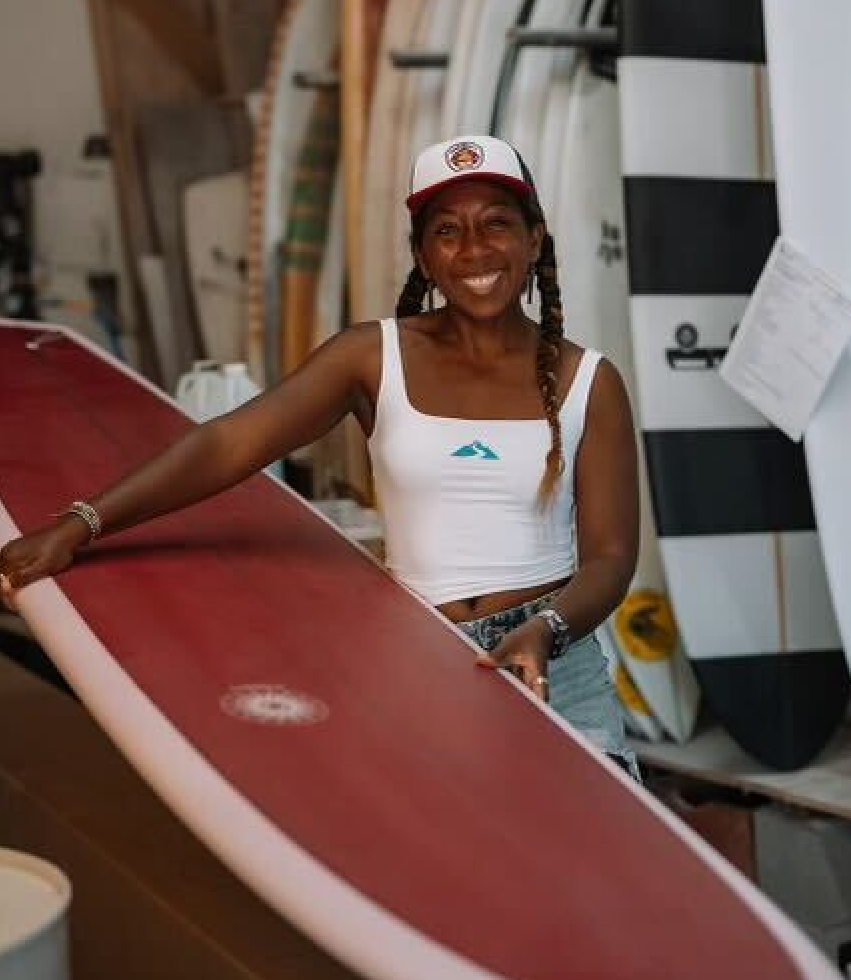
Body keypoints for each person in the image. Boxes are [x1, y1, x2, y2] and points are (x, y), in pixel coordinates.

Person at [0, 135, 641, 776]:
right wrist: (81, 523)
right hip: (418, 659)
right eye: (448, 231)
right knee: (433, 866)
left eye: (497, 224)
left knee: (596, 866)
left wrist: (547, 630)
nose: (474, 249)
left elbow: (611, 558)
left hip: (556, 662)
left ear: (534, 239)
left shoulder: (591, 381)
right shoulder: (370, 357)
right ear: (422, 253)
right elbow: (227, 443)